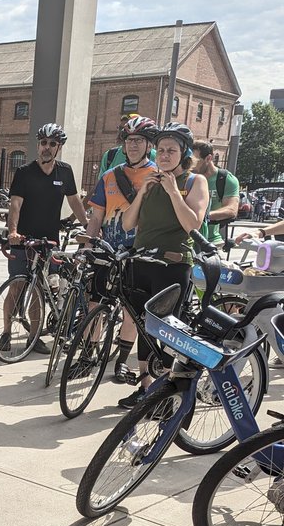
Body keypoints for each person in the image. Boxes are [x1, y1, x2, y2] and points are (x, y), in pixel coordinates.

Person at [117, 122, 209, 408]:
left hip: (172, 265)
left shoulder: (194, 182)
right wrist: (143, 191)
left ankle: (167, 394)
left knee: (166, 330)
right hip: (142, 261)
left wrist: (172, 192)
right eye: (161, 150)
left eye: (171, 150)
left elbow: (193, 224)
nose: (165, 155)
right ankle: (147, 388)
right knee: (145, 327)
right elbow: (127, 223)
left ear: (184, 154)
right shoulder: (152, 181)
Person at [85, 116, 159, 382]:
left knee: (131, 310)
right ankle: (87, 355)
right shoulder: (109, 177)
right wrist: (88, 246)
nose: (133, 145)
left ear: (149, 144)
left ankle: (121, 361)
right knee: (96, 304)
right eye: (129, 140)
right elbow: (96, 218)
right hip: (108, 250)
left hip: (139, 253)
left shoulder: (158, 176)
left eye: (139, 140)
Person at [2, 123, 87, 354]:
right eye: (43, 143)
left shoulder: (65, 171)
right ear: (38, 145)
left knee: (39, 289)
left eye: (52, 144)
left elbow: (74, 202)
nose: (46, 148)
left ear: (59, 147)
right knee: (17, 286)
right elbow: (15, 204)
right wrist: (12, 232)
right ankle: (6, 332)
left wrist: (89, 226)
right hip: (24, 239)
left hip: (49, 240)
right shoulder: (24, 172)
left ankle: (34, 336)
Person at [192, 140, 240, 246]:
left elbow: (231, 210)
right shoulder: (189, 177)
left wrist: (201, 217)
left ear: (208, 158)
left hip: (211, 239)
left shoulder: (225, 179)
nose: (191, 166)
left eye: (195, 161)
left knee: (215, 262)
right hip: (186, 238)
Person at [97, 114, 156, 179]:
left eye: (138, 140)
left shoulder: (154, 155)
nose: (121, 131)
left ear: (149, 147)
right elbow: (101, 183)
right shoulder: (110, 155)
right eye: (121, 128)